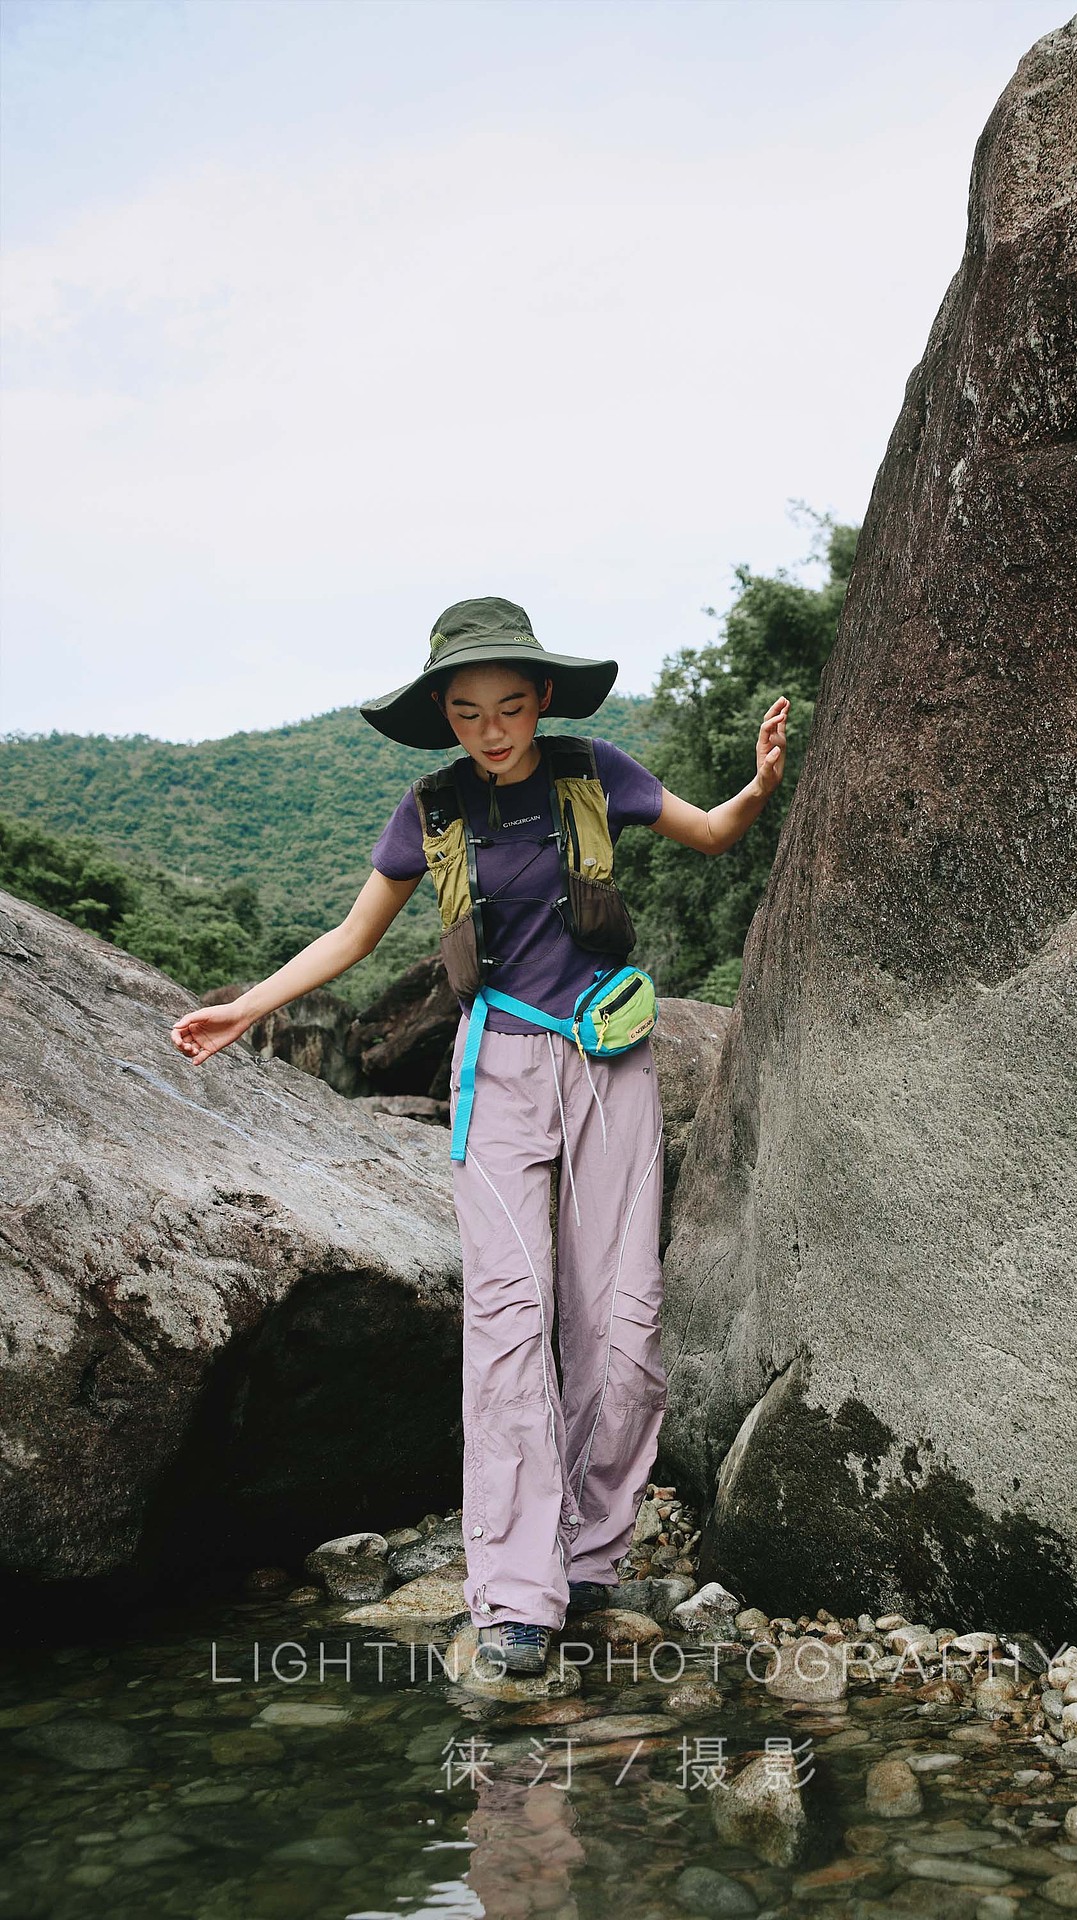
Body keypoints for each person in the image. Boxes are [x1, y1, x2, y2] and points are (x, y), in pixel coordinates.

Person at [170, 595, 787, 1678]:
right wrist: (251, 1006)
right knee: (507, 1324)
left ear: (541, 699)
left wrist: (758, 784)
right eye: (467, 712)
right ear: (444, 718)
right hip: (497, 1067)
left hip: (610, 1063)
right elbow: (355, 934)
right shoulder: (432, 810)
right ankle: (512, 1591)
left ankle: (591, 1552)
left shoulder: (592, 771)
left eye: (508, 707)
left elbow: (710, 832)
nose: (491, 729)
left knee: (625, 1325)